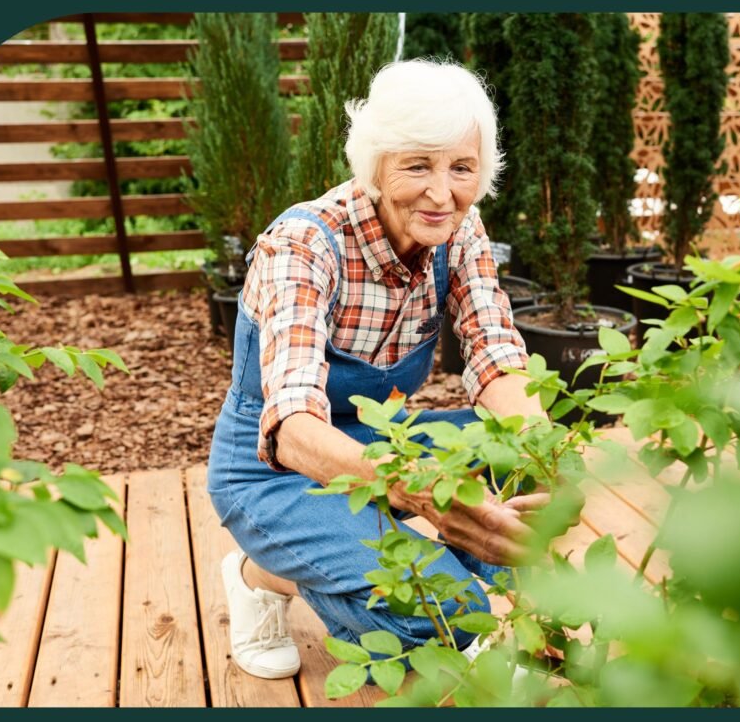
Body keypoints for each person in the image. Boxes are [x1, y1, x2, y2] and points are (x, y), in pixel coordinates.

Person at [207, 59, 549, 680]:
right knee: (444, 604)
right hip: (270, 470)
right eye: (418, 164)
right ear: (376, 162)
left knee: (511, 448)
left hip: (378, 442)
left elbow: (496, 353)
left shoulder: (458, 228)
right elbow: (292, 429)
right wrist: (426, 496)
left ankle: (270, 570)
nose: (442, 193)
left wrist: (542, 450)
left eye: (462, 167)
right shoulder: (305, 245)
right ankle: (320, 572)